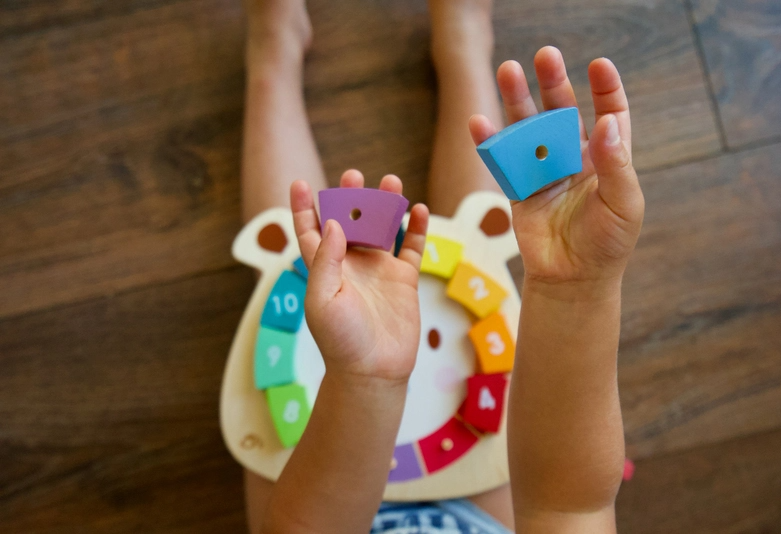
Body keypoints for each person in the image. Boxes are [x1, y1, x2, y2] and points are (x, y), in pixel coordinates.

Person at [240, 0, 644, 531]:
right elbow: (568, 506)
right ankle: (463, 45)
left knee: (296, 266)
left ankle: (273, 56)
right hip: (483, 512)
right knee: (477, 239)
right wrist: (575, 286)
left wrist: (363, 381)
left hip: (317, 500)